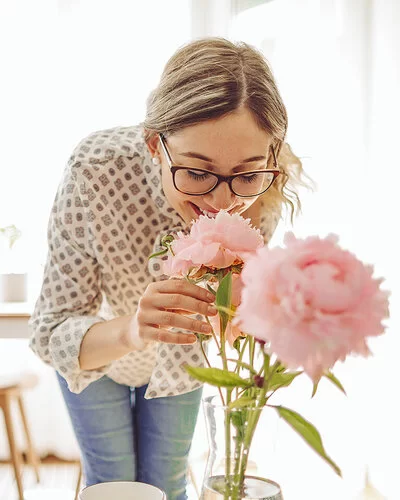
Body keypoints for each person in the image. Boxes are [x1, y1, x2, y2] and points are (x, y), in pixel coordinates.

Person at [29, 37, 308, 499]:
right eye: (197, 173)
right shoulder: (97, 170)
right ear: (154, 145)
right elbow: (51, 331)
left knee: (167, 483)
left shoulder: (260, 200)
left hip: (181, 356)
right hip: (98, 349)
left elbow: (234, 322)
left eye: (246, 174)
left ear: (271, 158)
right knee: (115, 484)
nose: (223, 204)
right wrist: (134, 330)